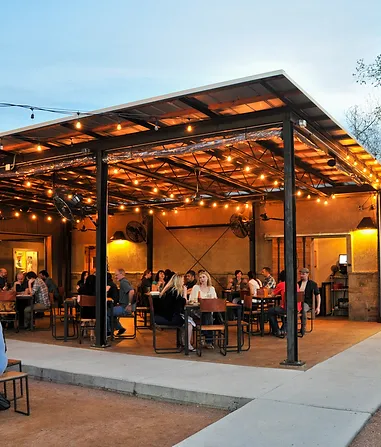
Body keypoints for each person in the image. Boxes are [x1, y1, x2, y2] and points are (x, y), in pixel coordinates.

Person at [155, 274, 194, 351]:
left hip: (161, 316)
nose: (184, 282)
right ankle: (187, 345)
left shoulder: (168, 290)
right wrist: (185, 294)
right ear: (178, 282)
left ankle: (183, 342)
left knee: (186, 320)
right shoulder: (175, 292)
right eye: (182, 280)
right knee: (189, 324)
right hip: (169, 318)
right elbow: (181, 305)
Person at [268, 270, 301, 337]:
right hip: (297, 308)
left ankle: (277, 330)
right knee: (286, 313)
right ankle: (284, 329)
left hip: (286, 308)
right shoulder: (296, 284)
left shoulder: (281, 284)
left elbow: (272, 295)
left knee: (270, 311)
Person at [190, 271, 217, 349]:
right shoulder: (196, 287)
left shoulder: (212, 289)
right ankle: (209, 341)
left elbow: (215, 300)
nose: (202, 279)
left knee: (208, 314)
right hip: (197, 311)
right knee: (207, 314)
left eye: (203, 277)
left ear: (208, 278)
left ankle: (203, 335)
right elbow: (192, 299)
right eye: (200, 277)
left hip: (209, 311)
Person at [108, 269, 135, 336]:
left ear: (122, 274)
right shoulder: (123, 282)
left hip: (124, 308)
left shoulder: (123, 282)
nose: (115, 277)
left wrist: (129, 304)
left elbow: (131, 291)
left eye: (116, 275)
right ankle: (119, 328)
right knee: (110, 312)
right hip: (123, 306)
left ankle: (108, 332)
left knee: (106, 312)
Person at [298, 268, 321, 334]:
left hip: (307, 302)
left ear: (307, 274)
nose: (301, 275)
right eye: (300, 274)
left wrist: (318, 307)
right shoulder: (298, 283)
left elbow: (318, 295)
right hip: (298, 302)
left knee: (303, 309)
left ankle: (303, 327)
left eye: (303, 274)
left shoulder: (312, 284)